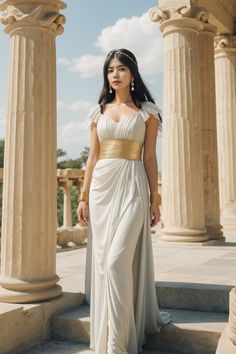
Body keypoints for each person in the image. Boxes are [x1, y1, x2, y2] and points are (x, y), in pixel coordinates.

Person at [77, 48, 171, 354]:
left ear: (132, 74)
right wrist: (83, 196)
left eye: (121, 69)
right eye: (110, 70)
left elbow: (150, 157)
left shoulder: (147, 112)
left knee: (118, 261)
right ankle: (112, 334)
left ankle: (118, 345)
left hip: (133, 186)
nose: (114, 74)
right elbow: (93, 157)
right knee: (107, 265)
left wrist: (155, 199)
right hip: (102, 189)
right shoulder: (98, 111)